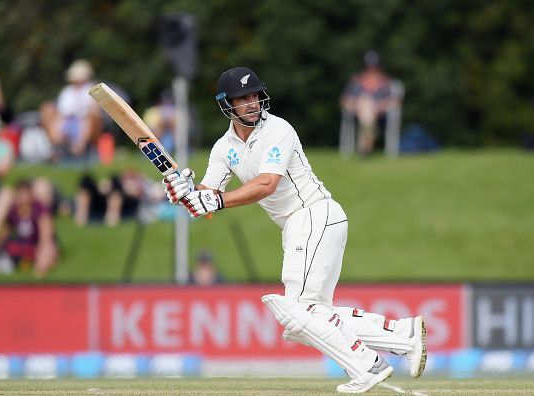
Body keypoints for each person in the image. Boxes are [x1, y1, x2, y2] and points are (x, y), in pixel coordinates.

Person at [163, 67, 427, 393]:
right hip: (300, 226)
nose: (251, 103)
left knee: (296, 313)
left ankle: (367, 366)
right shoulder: (223, 148)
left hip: (313, 215)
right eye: (242, 98)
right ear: (227, 104)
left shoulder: (278, 130)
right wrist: (183, 193)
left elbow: (266, 184)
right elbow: (206, 198)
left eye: (254, 95)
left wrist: (214, 201)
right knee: (314, 316)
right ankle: (402, 335)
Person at [0, 179, 58, 277]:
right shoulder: (13, 210)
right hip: (24, 245)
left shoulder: (39, 208)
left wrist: (43, 252)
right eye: (20, 194)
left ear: (31, 194)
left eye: (24, 194)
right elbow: (7, 230)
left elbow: (46, 236)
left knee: (48, 253)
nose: (22, 197)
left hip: (39, 243)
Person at [340, 51, 400, 156]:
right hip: (358, 112)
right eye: (369, 66)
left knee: (367, 107)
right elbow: (345, 100)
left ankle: (364, 147)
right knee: (365, 103)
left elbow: (395, 102)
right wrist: (357, 106)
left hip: (380, 115)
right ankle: (366, 146)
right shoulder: (357, 82)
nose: (372, 69)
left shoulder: (386, 83)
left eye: (375, 66)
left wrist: (379, 107)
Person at [40, 59, 102, 159]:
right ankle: (55, 147)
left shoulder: (91, 89)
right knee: (54, 115)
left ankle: (79, 146)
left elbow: (92, 109)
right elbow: (63, 110)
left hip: (84, 120)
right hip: (68, 119)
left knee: (87, 119)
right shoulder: (67, 91)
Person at [74, 169, 145, 227]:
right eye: (126, 178)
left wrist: (131, 189)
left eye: (131, 178)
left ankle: (112, 217)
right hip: (104, 202)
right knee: (86, 180)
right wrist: (104, 187)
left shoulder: (141, 186)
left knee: (115, 183)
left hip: (124, 204)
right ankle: (81, 216)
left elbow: (139, 194)